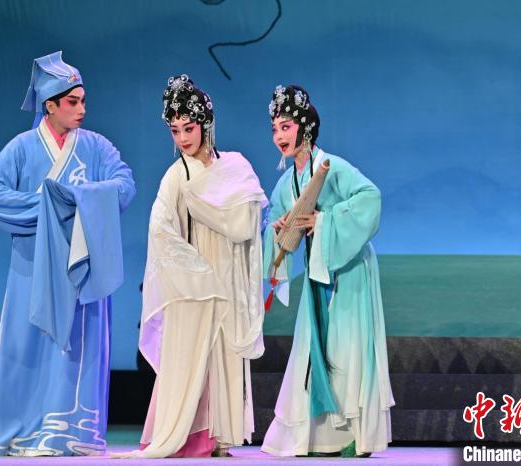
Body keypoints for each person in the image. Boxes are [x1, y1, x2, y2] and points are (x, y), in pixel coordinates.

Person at [0, 51, 135, 456]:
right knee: (25, 344)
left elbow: (124, 184)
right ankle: (21, 431)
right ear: (50, 106)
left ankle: (73, 432)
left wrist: (78, 200)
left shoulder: (96, 147)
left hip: (83, 267)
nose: (82, 109)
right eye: (72, 102)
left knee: (79, 346)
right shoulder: (22, 148)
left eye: (83, 101)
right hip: (32, 266)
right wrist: (45, 208)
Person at [114, 75, 266, 458]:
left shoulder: (235, 166)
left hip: (226, 278)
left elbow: (247, 224)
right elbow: (160, 230)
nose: (182, 137)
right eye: (175, 130)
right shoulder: (176, 176)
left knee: (222, 356)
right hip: (194, 283)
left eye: (189, 127)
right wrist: (194, 270)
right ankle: (187, 436)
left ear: (205, 123)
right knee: (190, 359)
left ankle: (219, 436)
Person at [260, 84, 393, 457]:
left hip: (347, 271)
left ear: (305, 126)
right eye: (275, 129)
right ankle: (317, 437)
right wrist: (279, 229)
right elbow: (275, 221)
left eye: (286, 127)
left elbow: (370, 198)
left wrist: (325, 220)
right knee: (312, 349)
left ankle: (353, 435)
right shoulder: (287, 182)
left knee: (347, 348)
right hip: (316, 274)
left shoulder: (332, 167)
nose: (279, 136)